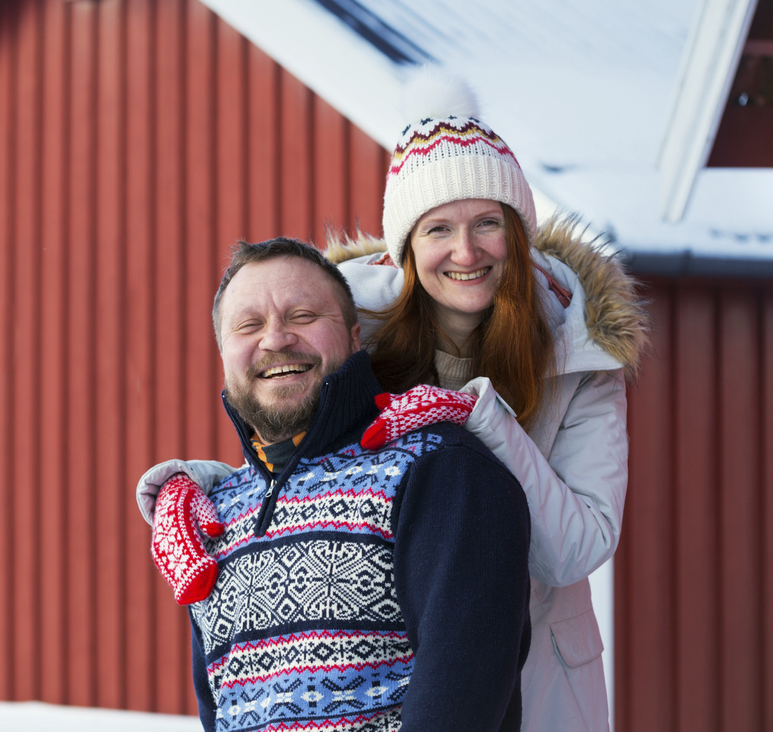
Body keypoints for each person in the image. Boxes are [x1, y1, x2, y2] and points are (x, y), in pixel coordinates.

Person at [140, 77, 648, 731]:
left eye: (487, 223)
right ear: (406, 245)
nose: (465, 251)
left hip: (541, 663)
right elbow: (309, 452)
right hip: (399, 661)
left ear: (517, 234)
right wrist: (202, 488)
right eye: (438, 228)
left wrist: (477, 417)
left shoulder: (580, 355)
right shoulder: (354, 328)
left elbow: (574, 549)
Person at [155, 236, 532, 732]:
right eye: (249, 325)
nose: (275, 339)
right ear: (224, 354)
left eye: (303, 316)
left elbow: (462, 699)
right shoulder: (210, 519)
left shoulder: (438, 471)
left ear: (355, 338)